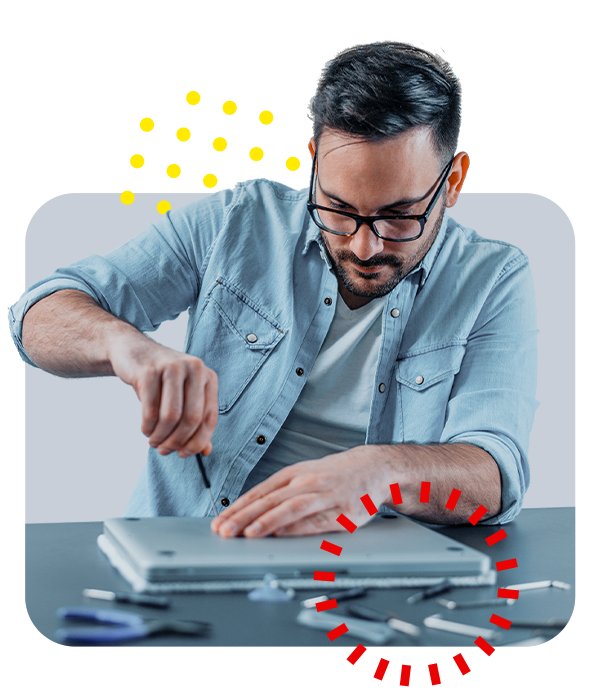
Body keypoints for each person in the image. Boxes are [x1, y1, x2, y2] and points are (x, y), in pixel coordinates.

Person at [10, 42, 538, 538]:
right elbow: (36, 314)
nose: (363, 246)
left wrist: (382, 474)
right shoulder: (236, 222)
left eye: (399, 217)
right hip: (186, 553)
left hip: (363, 582)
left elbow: (495, 474)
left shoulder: (493, 278)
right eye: (337, 208)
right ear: (313, 161)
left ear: (454, 180)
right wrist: (128, 348)